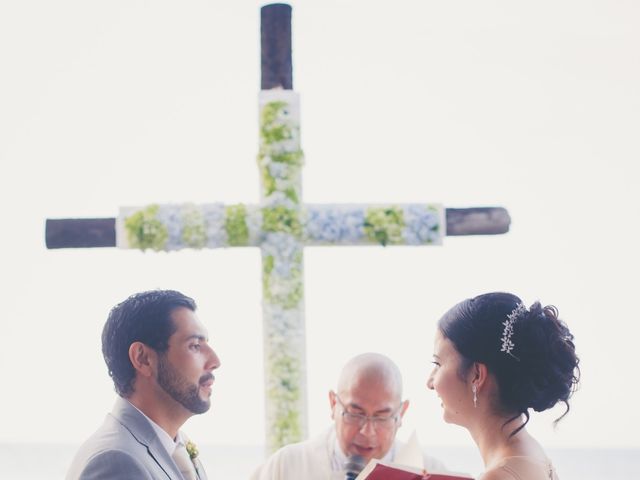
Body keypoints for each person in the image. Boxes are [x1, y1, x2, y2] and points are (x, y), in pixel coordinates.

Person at [66, 289, 221, 480]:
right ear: (143, 358)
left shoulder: (173, 446)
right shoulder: (116, 462)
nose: (215, 361)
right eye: (195, 346)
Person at [426, 292, 580, 480]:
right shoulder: (529, 451)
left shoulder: (499, 476)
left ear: (477, 375)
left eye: (438, 364)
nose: (430, 382)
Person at [252, 352, 445, 480]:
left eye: (381, 417)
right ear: (333, 404)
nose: (367, 432)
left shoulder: (430, 471)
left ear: (401, 413)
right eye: (355, 414)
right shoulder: (287, 465)